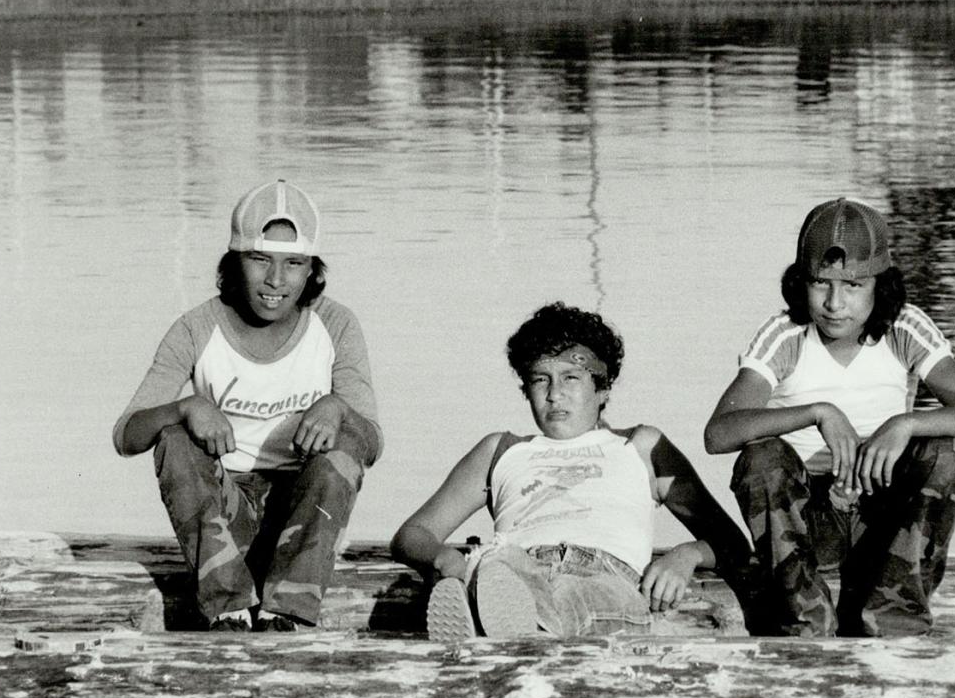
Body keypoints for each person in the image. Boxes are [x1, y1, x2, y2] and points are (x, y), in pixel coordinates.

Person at [704, 198, 955, 638]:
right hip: (808, 524)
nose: (835, 303)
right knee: (761, 458)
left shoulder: (904, 329)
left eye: (854, 286)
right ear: (800, 282)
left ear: (880, 285)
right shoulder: (785, 335)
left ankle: (894, 617)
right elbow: (719, 433)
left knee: (943, 450)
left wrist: (906, 424)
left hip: (882, 523)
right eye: (820, 283)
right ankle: (805, 617)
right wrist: (817, 413)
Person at [113, 179, 381, 633]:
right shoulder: (197, 327)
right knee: (174, 441)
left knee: (345, 441)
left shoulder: (334, 324)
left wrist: (338, 407)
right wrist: (185, 407)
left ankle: (286, 614)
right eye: (260, 260)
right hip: (226, 512)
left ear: (311, 268)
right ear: (234, 262)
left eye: (293, 264)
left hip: (298, 519)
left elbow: (371, 443)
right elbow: (126, 436)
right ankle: (228, 609)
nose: (276, 281)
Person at [392, 302, 751, 640]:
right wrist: (443, 558)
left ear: (603, 388)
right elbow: (414, 533)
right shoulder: (500, 450)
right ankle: (507, 619)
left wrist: (685, 555)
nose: (554, 395)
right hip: (516, 568)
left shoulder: (640, 447)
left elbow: (732, 543)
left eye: (571, 378)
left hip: (606, 577)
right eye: (540, 380)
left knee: (571, 594)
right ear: (525, 389)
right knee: (497, 563)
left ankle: (507, 627)